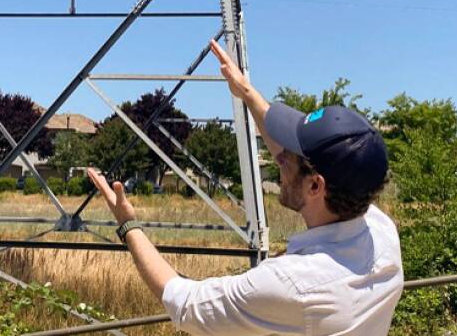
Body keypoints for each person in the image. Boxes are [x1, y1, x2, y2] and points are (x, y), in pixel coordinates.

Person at [86, 39, 403, 335]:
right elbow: (295, 160)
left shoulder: (291, 285)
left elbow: (184, 303)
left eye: (287, 158)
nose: (277, 159)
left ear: (316, 186)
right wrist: (248, 93)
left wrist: (128, 224)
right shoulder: (380, 232)